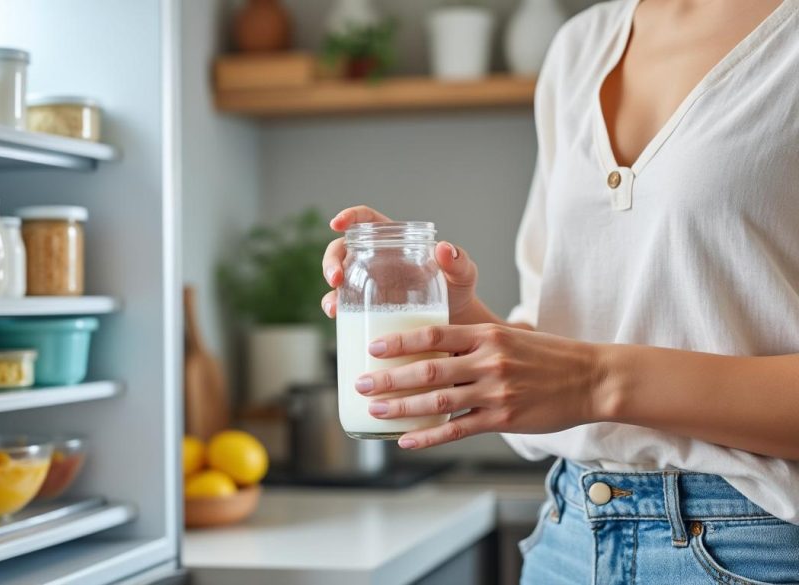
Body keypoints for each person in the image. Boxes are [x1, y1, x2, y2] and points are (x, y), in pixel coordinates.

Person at [319, 0, 799, 582]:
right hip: (570, 538)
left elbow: (583, 374)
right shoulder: (581, 45)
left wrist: (593, 380)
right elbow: (563, 342)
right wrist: (467, 332)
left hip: (765, 547)